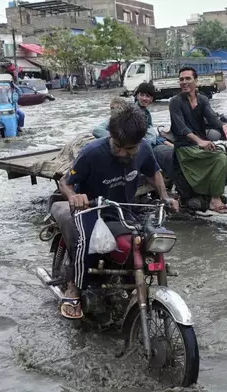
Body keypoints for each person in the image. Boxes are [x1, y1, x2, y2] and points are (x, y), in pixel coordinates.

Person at [51, 104, 179, 319]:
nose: (122, 152)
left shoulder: (145, 148)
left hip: (124, 208)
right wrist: (75, 197)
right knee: (87, 242)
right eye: (118, 146)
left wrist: (166, 197)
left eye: (130, 149)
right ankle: (74, 286)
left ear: (139, 142)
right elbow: (65, 182)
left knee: (143, 242)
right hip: (91, 208)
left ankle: (130, 286)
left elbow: (154, 171)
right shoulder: (91, 152)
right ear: (110, 136)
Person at [169, 66, 227, 215]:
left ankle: (211, 193)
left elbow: (212, 119)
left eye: (188, 78)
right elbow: (182, 128)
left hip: (199, 145)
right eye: (181, 79)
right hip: (185, 148)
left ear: (196, 81)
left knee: (225, 155)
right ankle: (215, 199)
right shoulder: (175, 102)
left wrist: (224, 126)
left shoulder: (202, 99)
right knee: (220, 158)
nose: (184, 82)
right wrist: (199, 141)